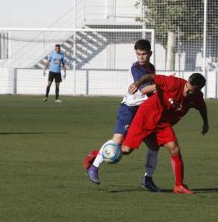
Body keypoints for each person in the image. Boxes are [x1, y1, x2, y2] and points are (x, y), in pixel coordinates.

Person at [88, 72, 209, 195]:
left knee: (174, 148)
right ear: (187, 82)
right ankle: (95, 155)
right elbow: (151, 76)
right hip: (145, 116)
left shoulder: (197, 96)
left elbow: (202, 107)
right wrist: (137, 83)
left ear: (198, 90)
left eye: (192, 92)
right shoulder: (174, 83)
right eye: (187, 89)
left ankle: (178, 186)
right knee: (126, 150)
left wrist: (205, 123)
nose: (187, 93)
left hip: (162, 123)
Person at [83, 39, 162, 192]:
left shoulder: (150, 67)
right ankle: (94, 165)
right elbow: (146, 89)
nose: (141, 57)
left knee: (141, 147)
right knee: (117, 140)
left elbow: (151, 92)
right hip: (129, 109)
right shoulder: (136, 68)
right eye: (138, 54)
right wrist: (165, 83)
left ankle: (147, 179)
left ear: (150, 53)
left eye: (144, 54)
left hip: (143, 111)